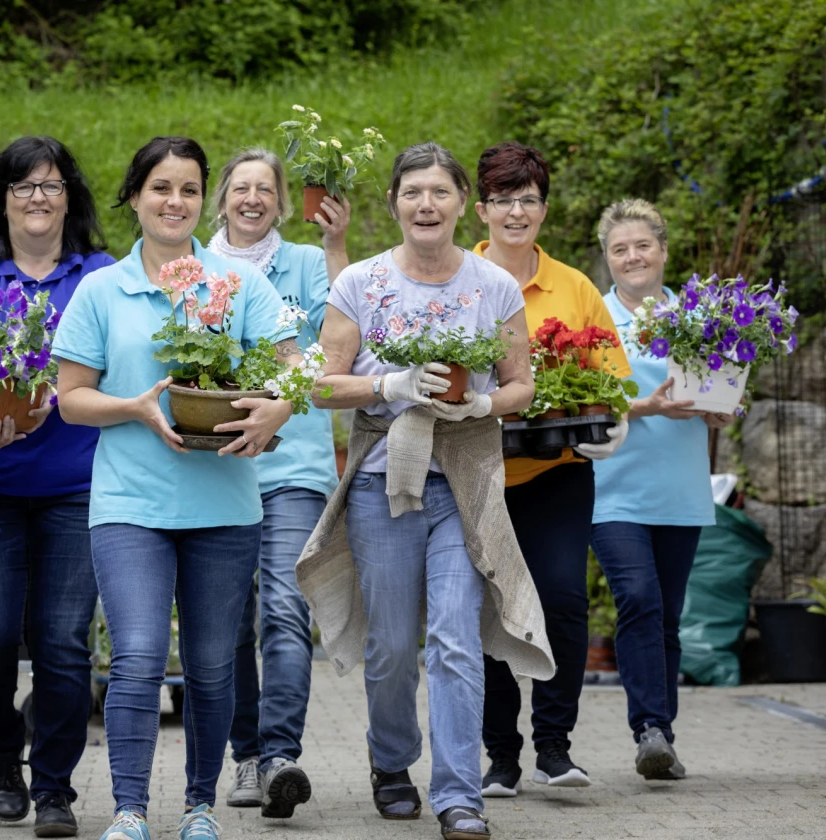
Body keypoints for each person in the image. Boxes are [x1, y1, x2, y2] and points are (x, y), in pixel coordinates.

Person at [300, 142, 555, 840]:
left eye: (440, 192)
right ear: (393, 203)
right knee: (390, 646)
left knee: (454, 639)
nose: (426, 204)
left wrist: (482, 404)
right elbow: (322, 385)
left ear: (463, 203)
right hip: (383, 481)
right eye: (413, 192)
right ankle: (390, 761)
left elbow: (521, 385)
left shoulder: (493, 286)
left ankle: (458, 796)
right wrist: (391, 383)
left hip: (464, 485)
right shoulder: (360, 282)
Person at [53, 136, 304, 840]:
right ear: (135, 197)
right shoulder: (102, 289)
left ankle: (199, 806)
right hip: (130, 504)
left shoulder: (238, 283)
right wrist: (133, 407)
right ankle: (129, 810)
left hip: (224, 504)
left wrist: (279, 407)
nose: (175, 201)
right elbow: (71, 398)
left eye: (189, 189)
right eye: (160, 187)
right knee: (136, 654)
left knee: (213, 665)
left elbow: (294, 363)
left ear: (204, 200)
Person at [0, 136, 116, 837]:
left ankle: (55, 788)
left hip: (75, 488)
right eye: (23, 186)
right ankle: (4, 752)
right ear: (2, 200)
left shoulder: (100, 278)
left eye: (51, 184)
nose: (38, 197)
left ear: (70, 198)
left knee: (63, 642)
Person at [471, 142, 632, 797]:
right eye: (504, 200)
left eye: (529, 200)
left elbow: (609, 380)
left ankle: (554, 746)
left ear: (544, 208)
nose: (517, 212)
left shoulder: (574, 287)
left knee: (563, 597)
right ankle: (501, 755)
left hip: (557, 469)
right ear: (481, 209)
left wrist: (611, 422)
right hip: (476, 472)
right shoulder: (456, 279)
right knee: (487, 609)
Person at [206, 148, 350, 817]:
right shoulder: (192, 270)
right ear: (222, 199)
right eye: (241, 187)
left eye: (266, 189)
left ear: (283, 202)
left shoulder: (306, 264)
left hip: (294, 466)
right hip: (215, 465)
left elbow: (342, 339)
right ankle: (245, 756)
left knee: (286, 611)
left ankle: (278, 757)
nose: (253, 198)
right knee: (228, 622)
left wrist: (338, 246)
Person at [589, 198, 730, 780]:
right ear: (607, 258)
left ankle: (662, 740)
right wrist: (644, 407)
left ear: (663, 251)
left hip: (679, 488)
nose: (632, 257)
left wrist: (721, 408)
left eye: (642, 245)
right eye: (619, 249)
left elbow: (719, 393)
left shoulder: (697, 317)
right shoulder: (592, 317)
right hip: (612, 489)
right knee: (639, 598)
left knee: (667, 615)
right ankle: (648, 728)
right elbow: (580, 400)